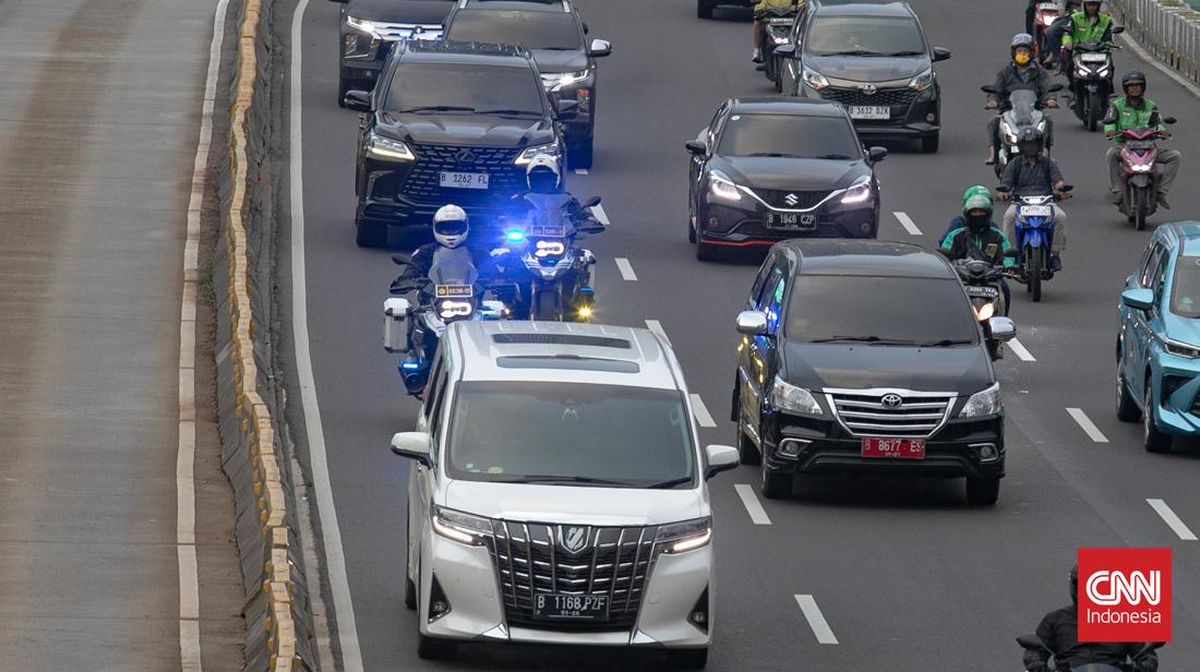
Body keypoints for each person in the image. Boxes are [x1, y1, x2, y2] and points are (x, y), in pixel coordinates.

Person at [1023, 565, 1160, 672]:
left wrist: (1147, 663)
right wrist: (1035, 662)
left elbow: (1144, 651)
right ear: (1074, 587)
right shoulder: (1054, 619)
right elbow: (1036, 649)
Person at [1103, 71, 1182, 209]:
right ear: (1125, 88)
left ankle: (1160, 192)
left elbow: (1157, 122)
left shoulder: (1151, 105)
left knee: (1175, 156)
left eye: (1138, 85)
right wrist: (1110, 131)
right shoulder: (1117, 105)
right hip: (1124, 145)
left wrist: (1162, 130)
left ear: (1143, 87)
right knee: (1111, 154)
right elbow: (1109, 121)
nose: (1134, 88)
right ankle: (1118, 190)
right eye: (1131, 86)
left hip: (1148, 146)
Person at [999, 127, 1070, 271]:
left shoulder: (1047, 163)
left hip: (1046, 201)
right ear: (1021, 146)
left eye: (1033, 144)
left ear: (1039, 145)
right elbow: (1006, 182)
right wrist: (1003, 191)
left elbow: (1058, 180)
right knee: (1009, 217)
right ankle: (1010, 254)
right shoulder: (1015, 163)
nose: (1030, 147)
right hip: (1020, 201)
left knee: (1061, 217)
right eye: (1027, 144)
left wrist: (1061, 188)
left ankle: (1055, 254)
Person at [940, 185, 1016, 315]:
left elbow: (1007, 252)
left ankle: (1003, 317)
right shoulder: (956, 235)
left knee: (1004, 288)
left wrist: (1010, 266)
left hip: (990, 278)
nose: (977, 215)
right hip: (963, 278)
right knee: (945, 292)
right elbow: (945, 253)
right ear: (967, 213)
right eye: (974, 212)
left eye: (981, 212)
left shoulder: (997, 235)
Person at [986, 33, 1059, 165]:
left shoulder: (1039, 72)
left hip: (1033, 112)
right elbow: (996, 89)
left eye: (1025, 51)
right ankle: (993, 155)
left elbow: (1047, 88)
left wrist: (1050, 99)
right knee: (993, 122)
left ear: (1032, 53)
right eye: (1019, 51)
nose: (1022, 54)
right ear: (1013, 53)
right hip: (1010, 111)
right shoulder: (1006, 72)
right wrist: (993, 101)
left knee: (1048, 121)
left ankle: (1048, 155)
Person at [752, 0, 802, 66]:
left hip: (789, 18)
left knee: (801, 28)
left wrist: (800, 8)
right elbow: (762, 3)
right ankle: (757, 51)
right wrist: (759, 10)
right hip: (770, 18)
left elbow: (801, 3)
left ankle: (801, 53)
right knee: (757, 22)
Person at [1042, 0, 1081, 68]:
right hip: (1071, 18)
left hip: (1092, 19)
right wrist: (1061, 9)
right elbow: (1061, 7)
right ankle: (1058, 58)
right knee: (1051, 31)